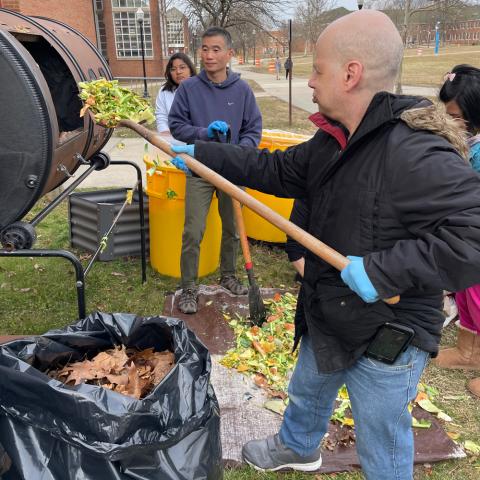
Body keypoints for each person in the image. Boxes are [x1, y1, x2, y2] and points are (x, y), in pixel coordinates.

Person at [171, 10, 480, 478]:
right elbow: (274, 170)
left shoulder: (414, 149)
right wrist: (203, 154)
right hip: (329, 304)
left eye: (317, 68)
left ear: (350, 73)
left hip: (386, 330)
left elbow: (473, 235)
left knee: (381, 431)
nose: (311, 81)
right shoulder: (334, 139)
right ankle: (297, 445)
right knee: (309, 387)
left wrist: (381, 272)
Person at [168, 27, 262, 314]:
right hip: (199, 168)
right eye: (205, 49)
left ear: (229, 54)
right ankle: (189, 288)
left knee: (233, 229)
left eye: (216, 49)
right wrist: (204, 132)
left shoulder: (242, 90)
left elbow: (253, 130)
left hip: (232, 171)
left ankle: (229, 276)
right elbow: (176, 126)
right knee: (193, 232)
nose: (209, 55)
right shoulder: (189, 89)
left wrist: (237, 152)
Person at [433, 64, 480, 398]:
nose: (454, 125)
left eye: (458, 117)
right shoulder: (466, 143)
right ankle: (469, 351)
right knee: (467, 290)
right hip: (469, 234)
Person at [155, 53, 196, 133]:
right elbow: (161, 116)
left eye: (182, 67)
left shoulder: (200, 88)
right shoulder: (164, 91)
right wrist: (165, 132)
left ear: (190, 70)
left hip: (197, 139)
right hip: (173, 139)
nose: (178, 72)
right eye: (173, 69)